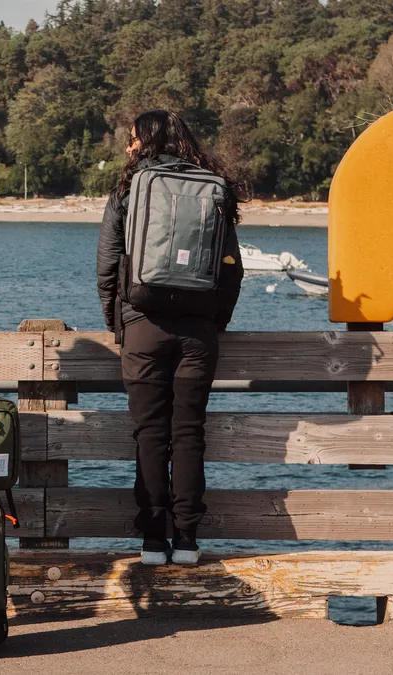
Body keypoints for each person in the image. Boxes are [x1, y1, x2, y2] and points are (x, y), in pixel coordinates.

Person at [95, 110, 244, 566]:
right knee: (189, 433)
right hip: (198, 331)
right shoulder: (213, 186)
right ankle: (187, 539)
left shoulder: (129, 187)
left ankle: (153, 540)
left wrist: (118, 322)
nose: (128, 147)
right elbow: (233, 269)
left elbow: (106, 265)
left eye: (133, 139)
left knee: (149, 434)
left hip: (142, 324)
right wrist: (213, 321)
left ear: (147, 142)